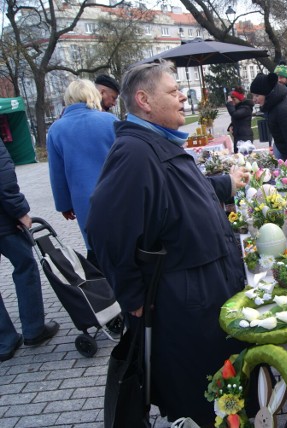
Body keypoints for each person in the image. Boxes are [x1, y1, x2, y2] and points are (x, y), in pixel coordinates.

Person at [85, 60, 250, 425]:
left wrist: (224, 185)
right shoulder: (135, 153)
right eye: (174, 91)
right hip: (186, 306)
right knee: (201, 400)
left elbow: (182, 195)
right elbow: (104, 227)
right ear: (144, 100)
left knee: (223, 395)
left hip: (204, 294)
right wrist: (133, 297)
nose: (183, 98)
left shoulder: (157, 143)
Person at [46, 79, 118, 268]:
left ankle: (102, 286)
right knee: (122, 242)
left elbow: (57, 173)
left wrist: (64, 205)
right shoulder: (110, 121)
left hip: (84, 201)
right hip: (116, 194)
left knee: (95, 245)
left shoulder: (56, 130)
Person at [0, 140, 59, 362]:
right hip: (5, 224)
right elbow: (4, 179)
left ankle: (4, 341)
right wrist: (20, 212)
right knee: (25, 269)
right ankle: (33, 329)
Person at [225, 86, 254, 153]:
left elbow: (235, 114)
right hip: (238, 136)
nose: (233, 101)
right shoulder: (239, 107)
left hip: (245, 137)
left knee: (244, 158)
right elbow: (238, 120)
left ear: (239, 98)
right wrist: (231, 126)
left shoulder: (246, 107)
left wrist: (229, 104)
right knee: (238, 158)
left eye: (234, 99)